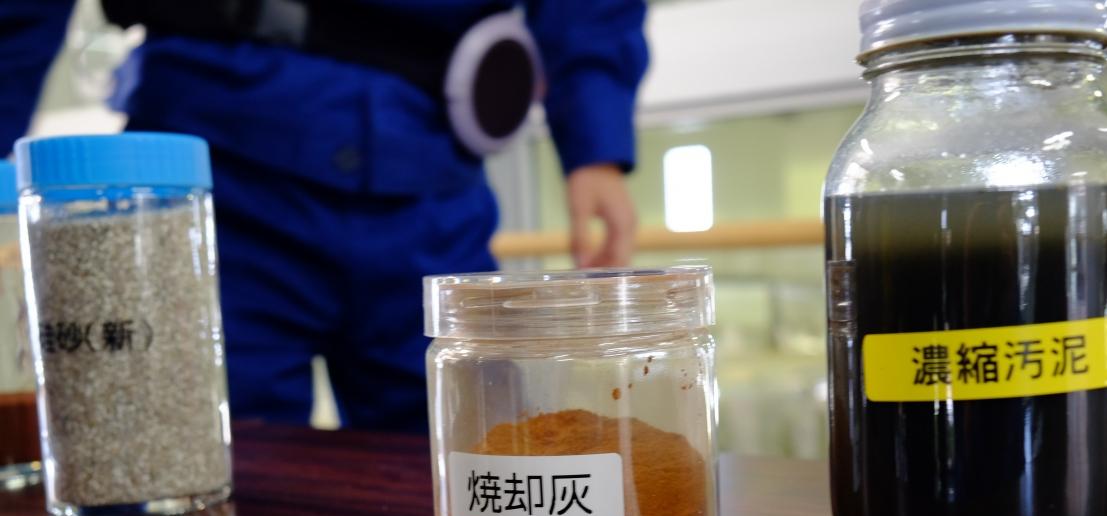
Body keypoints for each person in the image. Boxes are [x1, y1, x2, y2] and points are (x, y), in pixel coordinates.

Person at [1, 1, 647, 431]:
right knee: (204, 480)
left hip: (430, 174)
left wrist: (596, 136)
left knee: (468, 464)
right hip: (211, 167)